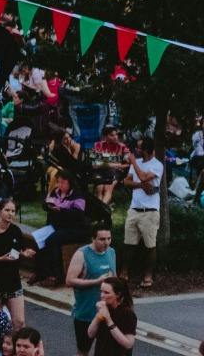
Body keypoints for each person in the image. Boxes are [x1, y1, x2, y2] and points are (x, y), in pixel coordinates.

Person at [67, 226, 118, 356]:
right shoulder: (82, 254)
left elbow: (115, 279)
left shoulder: (111, 252)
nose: (106, 242)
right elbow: (69, 281)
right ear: (93, 239)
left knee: (107, 351)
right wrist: (96, 282)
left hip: (107, 313)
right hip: (86, 313)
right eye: (102, 239)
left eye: (109, 238)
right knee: (83, 351)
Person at [121, 139, 162, 291]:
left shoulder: (157, 165)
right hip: (134, 209)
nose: (136, 150)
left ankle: (148, 275)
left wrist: (133, 163)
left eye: (139, 148)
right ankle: (124, 273)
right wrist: (141, 185)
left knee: (150, 245)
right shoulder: (136, 162)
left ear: (146, 150)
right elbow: (127, 182)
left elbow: (145, 177)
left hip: (150, 211)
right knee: (128, 243)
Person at [85, 278, 136, 356]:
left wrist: (109, 320)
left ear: (118, 294)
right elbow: (90, 334)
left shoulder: (127, 314)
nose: (102, 295)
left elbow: (128, 344)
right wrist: (98, 316)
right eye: (101, 291)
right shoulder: (105, 308)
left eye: (106, 293)